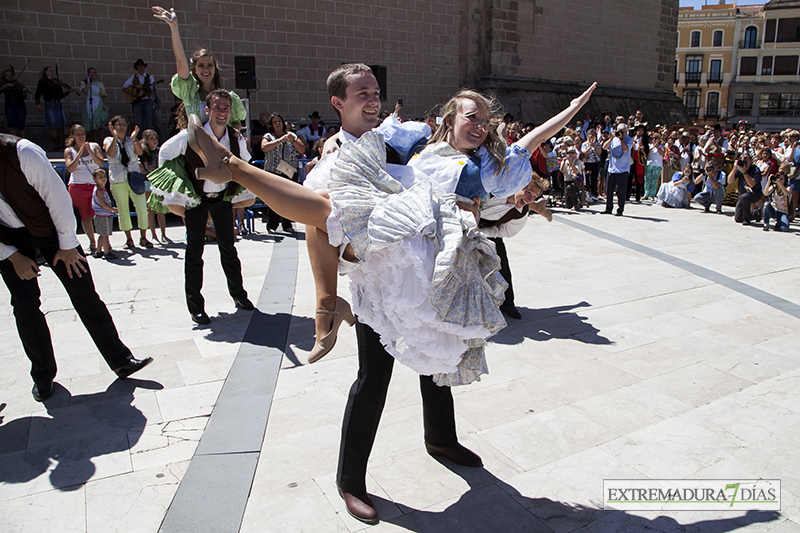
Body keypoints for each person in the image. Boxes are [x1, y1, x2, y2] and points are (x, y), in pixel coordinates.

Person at [179, 62, 595, 523]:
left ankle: (440, 438)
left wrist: (507, 205)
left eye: (376, 91)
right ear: (338, 102)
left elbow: (482, 199)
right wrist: (326, 300)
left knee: (440, 357)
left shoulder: (409, 145)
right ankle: (350, 480)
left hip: (426, 268)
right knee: (372, 379)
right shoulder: (338, 157)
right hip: (381, 280)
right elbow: (319, 229)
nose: (373, 99)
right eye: (362, 92)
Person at [0, 134, 152, 402]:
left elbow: (56, 196)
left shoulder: (22, 152)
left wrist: (68, 245)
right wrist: (12, 255)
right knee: (24, 306)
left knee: (84, 295)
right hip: (10, 239)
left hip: (53, 230)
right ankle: (42, 375)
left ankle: (121, 359)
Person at [148, 89, 255, 324]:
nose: (222, 112)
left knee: (229, 248)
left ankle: (239, 296)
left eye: (226, 108)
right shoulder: (191, 135)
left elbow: (246, 163)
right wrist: (177, 182)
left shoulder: (235, 138)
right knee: (194, 252)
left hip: (222, 200)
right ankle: (196, 307)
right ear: (207, 110)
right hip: (196, 200)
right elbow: (165, 152)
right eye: (217, 108)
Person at [153, 6, 246, 126]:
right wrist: (174, 27)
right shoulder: (190, 92)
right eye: (201, 65)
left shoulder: (227, 98)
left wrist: (233, 135)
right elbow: (181, 61)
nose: (206, 69)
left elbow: (236, 123)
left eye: (209, 65)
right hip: (196, 142)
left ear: (215, 68)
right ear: (195, 69)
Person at [478, 173, 552, 320]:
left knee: (501, 266)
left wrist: (482, 232)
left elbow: (505, 231)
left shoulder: (520, 213)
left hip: (489, 231)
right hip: (463, 225)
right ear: (517, 185)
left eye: (534, 197)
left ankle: (508, 304)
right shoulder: (493, 191)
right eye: (528, 192)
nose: (530, 199)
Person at [103, 115, 152, 249]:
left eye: (124, 124)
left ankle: (143, 237)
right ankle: (129, 239)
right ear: (112, 127)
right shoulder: (108, 140)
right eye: (119, 124)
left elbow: (139, 152)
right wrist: (114, 138)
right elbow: (110, 153)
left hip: (133, 177)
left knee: (142, 208)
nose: (122, 127)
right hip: (118, 179)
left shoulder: (131, 140)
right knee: (123, 210)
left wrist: (134, 138)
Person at [261, 113, 308, 233]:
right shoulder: (268, 136)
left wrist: (293, 141)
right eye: (275, 122)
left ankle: (287, 224)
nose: (277, 123)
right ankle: (272, 225)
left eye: (279, 121)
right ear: (271, 124)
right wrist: (279, 140)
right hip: (273, 172)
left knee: (289, 200)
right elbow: (264, 147)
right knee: (273, 199)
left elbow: (302, 149)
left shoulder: (291, 135)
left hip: (289, 172)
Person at [64, 124, 105, 254]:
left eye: (83, 133)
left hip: (94, 185)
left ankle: (103, 241)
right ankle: (92, 242)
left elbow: (101, 163)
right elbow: (70, 168)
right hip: (78, 186)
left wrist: (90, 151)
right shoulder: (69, 150)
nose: (81, 136)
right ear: (72, 136)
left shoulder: (94, 146)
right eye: (78, 134)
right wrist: (79, 153)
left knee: (99, 214)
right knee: (85, 216)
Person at [35, 66, 78, 150]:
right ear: (45, 72)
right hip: (49, 104)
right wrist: (38, 105)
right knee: (53, 125)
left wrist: (69, 91)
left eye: (53, 71)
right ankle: (56, 145)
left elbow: (61, 95)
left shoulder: (57, 83)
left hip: (58, 103)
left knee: (64, 124)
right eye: (50, 70)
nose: (52, 72)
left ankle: (67, 143)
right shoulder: (42, 82)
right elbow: (37, 95)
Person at [139, 129, 169, 243]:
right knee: (150, 210)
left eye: (155, 138)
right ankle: (153, 235)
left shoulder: (160, 151)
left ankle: (163, 234)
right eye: (151, 139)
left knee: (161, 209)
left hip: (159, 182)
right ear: (146, 140)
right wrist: (138, 162)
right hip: (148, 182)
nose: (154, 141)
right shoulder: (143, 153)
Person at [603, 123, 633, 216]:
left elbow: (625, 149)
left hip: (623, 169)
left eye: (622, 132)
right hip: (612, 168)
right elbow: (604, 147)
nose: (620, 133)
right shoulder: (614, 139)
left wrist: (622, 139)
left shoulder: (629, 140)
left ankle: (620, 209)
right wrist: (611, 138)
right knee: (609, 190)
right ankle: (608, 208)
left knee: (621, 191)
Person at [91, 168, 118, 259]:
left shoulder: (101, 189)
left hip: (100, 215)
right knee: (105, 235)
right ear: (94, 179)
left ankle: (98, 251)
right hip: (103, 216)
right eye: (100, 177)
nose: (103, 178)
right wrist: (112, 209)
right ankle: (107, 252)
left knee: (102, 235)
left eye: (104, 176)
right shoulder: (99, 191)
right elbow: (103, 204)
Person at [123, 59, 157, 131]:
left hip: (147, 100)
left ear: (144, 67)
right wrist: (132, 93)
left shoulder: (149, 77)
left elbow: (153, 90)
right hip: (138, 101)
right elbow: (124, 87)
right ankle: (140, 139)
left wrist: (153, 86)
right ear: (137, 67)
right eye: (139, 66)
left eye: (142, 66)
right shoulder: (134, 77)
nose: (141, 67)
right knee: (139, 123)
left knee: (149, 122)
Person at [731, 151, 763, 226]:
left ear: (751, 161)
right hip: (743, 195)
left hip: (755, 193)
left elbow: (752, 184)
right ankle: (756, 213)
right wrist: (735, 168)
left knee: (745, 197)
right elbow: (730, 181)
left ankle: (747, 219)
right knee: (738, 218)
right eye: (742, 160)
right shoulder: (740, 169)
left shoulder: (755, 169)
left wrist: (745, 173)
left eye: (746, 159)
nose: (744, 162)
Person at [79, 67, 109, 144]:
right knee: (92, 124)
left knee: (99, 123)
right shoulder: (84, 83)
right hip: (89, 103)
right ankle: (94, 141)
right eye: (91, 72)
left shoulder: (100, 84)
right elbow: (85, 91)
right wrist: (88, 82)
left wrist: (104, 104)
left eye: (94, 72)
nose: (93, 74)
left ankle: (102, 142)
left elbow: (103, 95)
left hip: (98, 103)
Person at [762, 163, 792, 232]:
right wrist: (769, 181)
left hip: (783, 212)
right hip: (774, 209)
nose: (780, 180)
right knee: (766, 204)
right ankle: (766, 224)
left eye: (782, 179)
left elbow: (787, 193)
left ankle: (778, 223)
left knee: (785, 228)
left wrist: (779, 183)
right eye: (779, 178)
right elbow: (765, 193)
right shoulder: (774, 186)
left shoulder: (788, 187)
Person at [1, 69, 28, 138]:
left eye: (10, 75)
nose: (9, 76)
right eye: (7, 75)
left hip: (19, 104)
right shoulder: (4, 86)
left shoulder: (17, 84)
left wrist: (24, 91)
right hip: (9, 105)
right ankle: (13, 142)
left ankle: (23, 140)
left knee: (21, 125)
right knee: (12, 125)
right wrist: (5, 86)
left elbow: (24, 97)